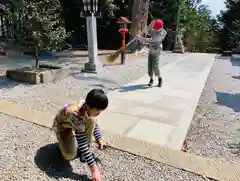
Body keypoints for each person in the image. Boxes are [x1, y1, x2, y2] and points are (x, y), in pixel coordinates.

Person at [52, 89, 108, 181]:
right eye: (98, 110)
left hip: (75, 122)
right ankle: (63, 143)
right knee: (69, 155)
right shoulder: (76, 115)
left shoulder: (87, 104)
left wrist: (99, 138)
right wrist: (94, 170)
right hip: (62, 126)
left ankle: (85, 150)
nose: (99, 113)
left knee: (91, 120)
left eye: (101, 110)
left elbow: (93, 121)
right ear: (89, 106)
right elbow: (81, 143)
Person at [136, 19, 167, 87]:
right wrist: (145, 30)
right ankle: (151, 79)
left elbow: (149, 40)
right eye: (155, 28)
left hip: (157, 51)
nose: (155, 29)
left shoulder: (161, 34)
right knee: (150, 66)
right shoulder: (155, 29)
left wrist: (140, 38)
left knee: (155, 66)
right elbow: (150, 33)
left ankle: (159, 78)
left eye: (156, 28)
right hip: (151, 50)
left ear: (161, 28)